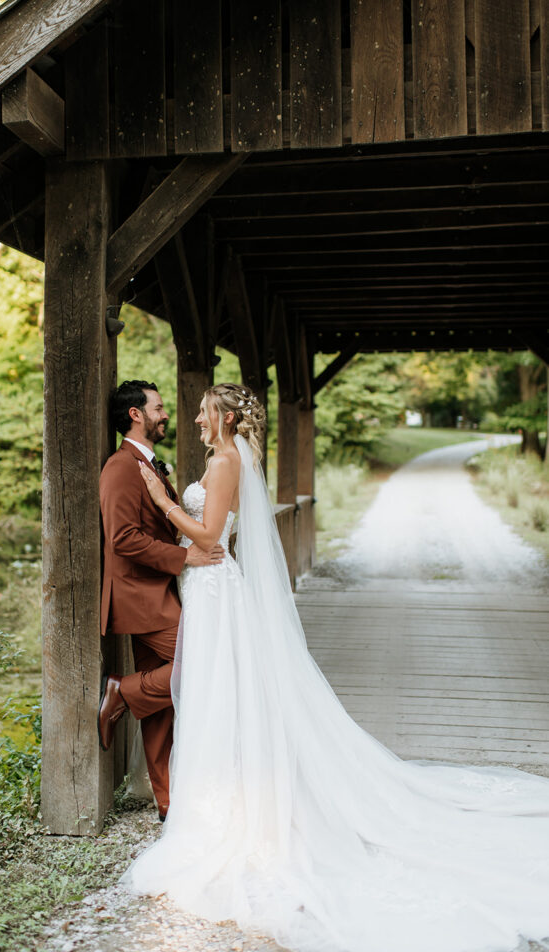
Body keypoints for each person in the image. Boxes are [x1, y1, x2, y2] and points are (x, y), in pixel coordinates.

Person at [124, 382, 549, 952]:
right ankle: (219, 795)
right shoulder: (227, 457)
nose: (196, 421)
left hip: (214, 587)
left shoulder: (226, 461)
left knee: (218, 687)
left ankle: (230, 810)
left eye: (203, 413)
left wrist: (160, 497)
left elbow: (208, 536)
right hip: (206, 588)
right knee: (216, 690)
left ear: (224, 418)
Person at [98, 380, 223, 821]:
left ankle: (167, 800)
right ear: (136, 414)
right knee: (202, 663)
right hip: (141, 596)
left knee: (165, 696)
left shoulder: (147, 464)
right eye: (158, 406)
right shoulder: (120, 466)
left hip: (159, 592)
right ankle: (122, 690)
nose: (165, 412)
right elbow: (123, 538)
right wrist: (184, 555)